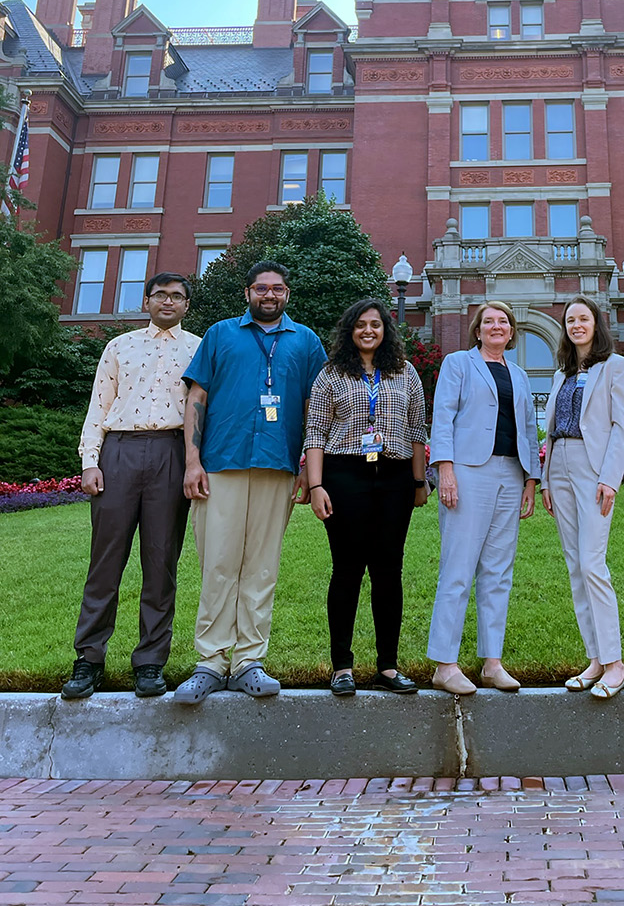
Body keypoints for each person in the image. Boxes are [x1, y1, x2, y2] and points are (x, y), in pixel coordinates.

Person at [175, 261, 325, 704]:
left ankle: (248, 662)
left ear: (287, 294)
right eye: (261, 288)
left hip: (277, 465)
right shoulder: (220, 335)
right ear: (248, 294)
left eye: (277, 289)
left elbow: (317, 408)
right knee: (218, 563)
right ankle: (210, 663)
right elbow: (196, 397)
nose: (269, 295)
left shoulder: (306, 342)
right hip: (221, 462)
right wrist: (192, 461)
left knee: (261, 567)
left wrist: (307, 470)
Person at [61, 274, 200, 701]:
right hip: (118, 452)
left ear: (186, 305)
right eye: (161, 295)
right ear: (147, 300)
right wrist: (90, 462)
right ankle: (89, 659)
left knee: (161, 564)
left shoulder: (198, 348)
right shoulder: (119, 346)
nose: (169, 302)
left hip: (171, 454)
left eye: (177, 296)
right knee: (105, 562)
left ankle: (150, 662)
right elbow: (98, 405)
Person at [303, 299, 428, 697]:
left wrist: (418, 481)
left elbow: (417, 430)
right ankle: (342, 665)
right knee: (347, 570)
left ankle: (388, 667)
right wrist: (316, 486)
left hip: (394, 478)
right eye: (360, 325)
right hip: (345, 476)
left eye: (375, 324)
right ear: (350, 331)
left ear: (386, 330)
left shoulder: (405, 372)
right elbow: (316, 434)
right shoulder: (330, 374)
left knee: (389, 571)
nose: (368, 331)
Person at [427, 301, 540, 694]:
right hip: (468, 472)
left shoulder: (522, 376)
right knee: (457, 569)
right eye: (488, 321)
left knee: (498, 572)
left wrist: (531, 479)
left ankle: (492, 662)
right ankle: (445, 664)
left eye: (503, 321)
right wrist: (445, 468)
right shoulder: (459, 364)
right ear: (477, 330)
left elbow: (528, 428)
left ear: (511, 332)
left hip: (511, 474)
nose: (496, 326)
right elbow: (443, 416)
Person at [542, 297, 624, 699]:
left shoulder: (616, 366)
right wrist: (545, 479)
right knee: (575, 565)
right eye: (570, 320)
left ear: (597, 323)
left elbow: (621, 425)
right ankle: (595, 659)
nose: (577, 325)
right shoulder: (562, 373)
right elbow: (551, 430)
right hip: (559, 464)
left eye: (583, 318)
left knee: (593, 562)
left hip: (593, 468)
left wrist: (611, 478)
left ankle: (616, 666)